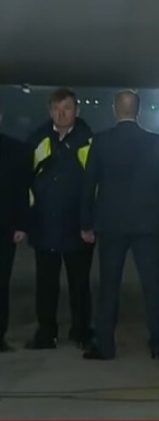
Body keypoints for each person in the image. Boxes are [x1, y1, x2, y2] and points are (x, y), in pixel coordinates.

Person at [80, 90, 159, 360]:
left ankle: (105, 345)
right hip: (148, 226)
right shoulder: (157, 142)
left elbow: (89, 185)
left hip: (111, 225)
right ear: (138, 110)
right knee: (152, 286)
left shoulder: (101, 142)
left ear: (114, 109)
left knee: (108, 287)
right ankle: (158, 344)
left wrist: (86, 223)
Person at [26, 88, 94, 350]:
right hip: (44, 226)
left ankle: (81, 331)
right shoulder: (37, 140)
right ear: (49, 111)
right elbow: (26, 180)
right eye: (56, 109)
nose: (61, 114)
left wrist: (90, 223)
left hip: (78, 227)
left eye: (66, 108)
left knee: (80, 284)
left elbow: (96, 185)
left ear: (77, 110)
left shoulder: (89, 142)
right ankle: (46, 333)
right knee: (46, 285)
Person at [0, 115, 30, 352]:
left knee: (1, 283)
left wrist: (21, 224)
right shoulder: (15, 148)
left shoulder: (15, 149)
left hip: (5, 226)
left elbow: (22, 190)